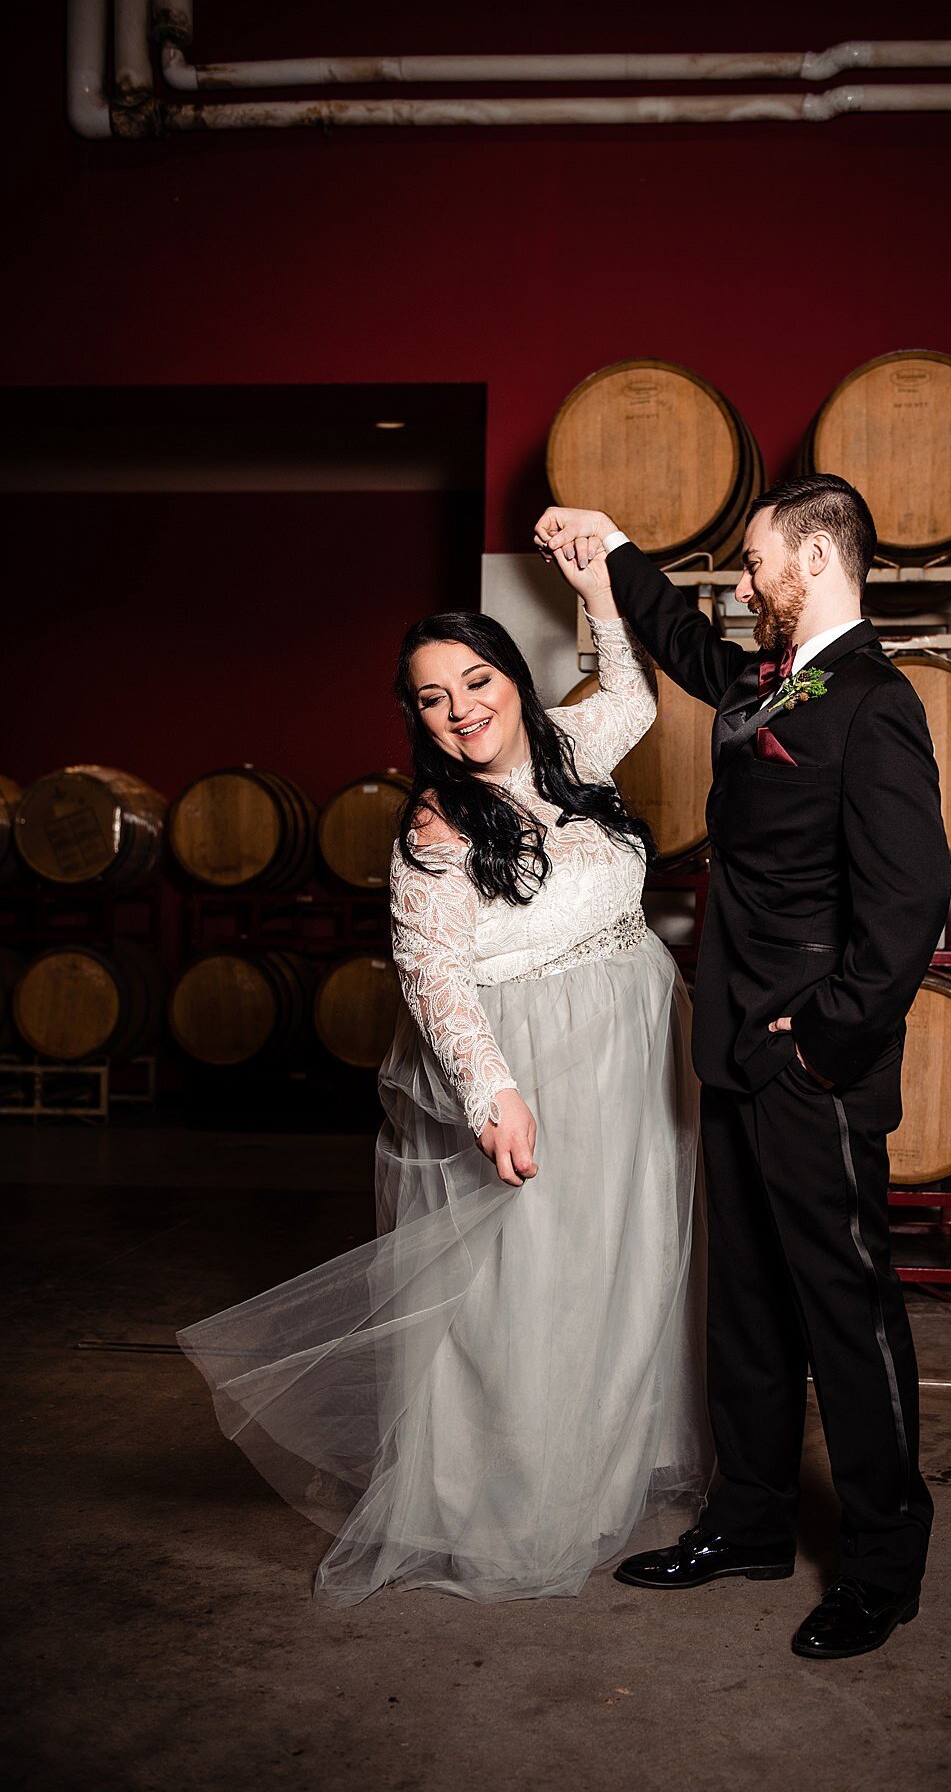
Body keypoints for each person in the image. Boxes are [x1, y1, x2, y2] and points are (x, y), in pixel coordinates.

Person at [177, 586, 710, 1605]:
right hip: (542, 1062)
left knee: (629, 1254)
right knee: (528, 1282)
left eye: (476, 680)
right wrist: (492, 1095)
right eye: (431, 699)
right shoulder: (436, 826)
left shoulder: (568, 747)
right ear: (415, 718)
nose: (461, 708)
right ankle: (500, 1497)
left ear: (513, 677)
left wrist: (599, 593)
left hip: (637, 1044)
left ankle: (606, 1461)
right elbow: (432, 979)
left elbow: (635, 698)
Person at [535, 476, 951, 1659]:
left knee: (846, 1308)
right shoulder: (775, 677)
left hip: (811, 1060)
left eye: (759, 560)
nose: (744, 581)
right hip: (734, 1046)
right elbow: (678, 639)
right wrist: (609, 549)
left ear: (816, 560)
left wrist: (818, 1037)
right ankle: (753, 1519)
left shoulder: (873, 701)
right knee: (751, 1302)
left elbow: (908, 899)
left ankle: (881, 1562)